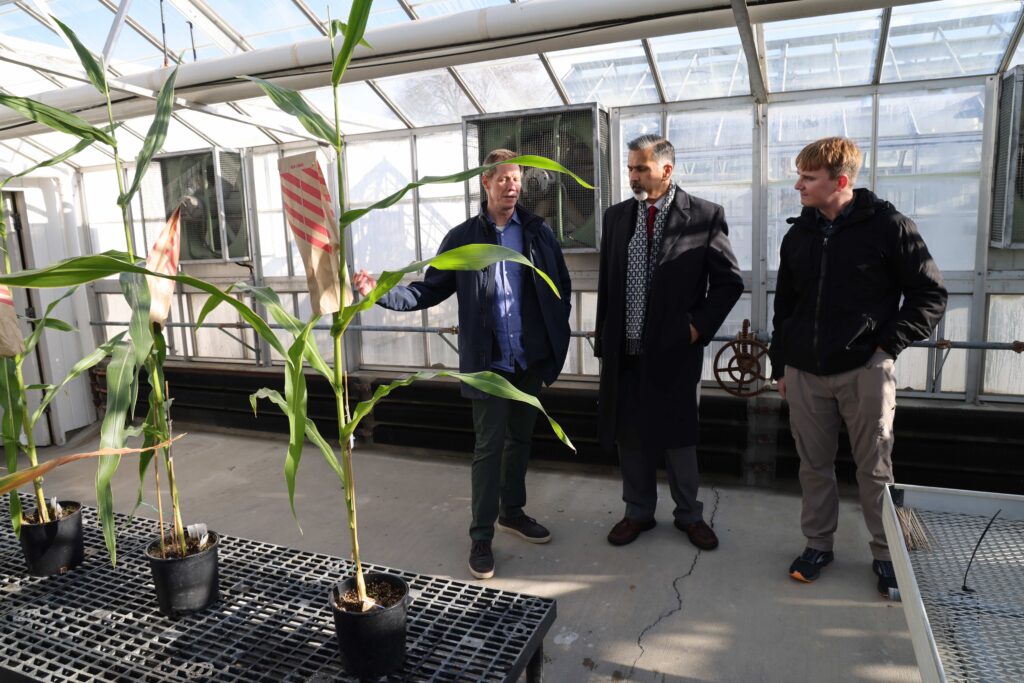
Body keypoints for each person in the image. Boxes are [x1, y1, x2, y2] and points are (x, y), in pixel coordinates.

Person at [352, 149, 572, 581]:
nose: (512, 186)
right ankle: (481, 536)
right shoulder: (463, 238)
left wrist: (553, 334)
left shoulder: (537, 233)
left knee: (520, 441)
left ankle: (513, 511)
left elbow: (559, 283)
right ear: (485, 183)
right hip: (489, 363)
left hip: (528, 359)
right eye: (503, 179)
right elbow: (427, 291)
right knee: (488, 448)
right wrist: (379, 290)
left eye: (517, 179)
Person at [769, 136, 947, 596]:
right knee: (813, 464)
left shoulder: (889, 227)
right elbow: (785, 305)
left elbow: (930, 296)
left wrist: (886, 346)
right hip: (805, 372)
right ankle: (818, 545)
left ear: (841, 181)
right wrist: (780, 366)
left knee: (874, 468)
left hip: (865, 371)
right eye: (800, 176)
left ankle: (888, 554)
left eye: (808, 178)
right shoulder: (799, 234)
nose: (798, 186)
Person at [594, 134, 743, 550]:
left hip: (676, 347)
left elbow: (730, 282)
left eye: (641, 168)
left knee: (678, 435)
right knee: (630, 433)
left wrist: (696, 328)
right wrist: (604, 336)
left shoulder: (704, 216)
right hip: (625, 347)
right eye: (630, 168)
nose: (633, 175)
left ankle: (689, 515)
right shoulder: (616, 216)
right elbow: (608, 281)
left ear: (666, 170)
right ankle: (637, 511)